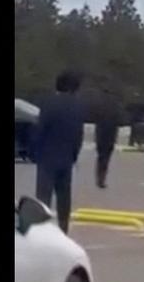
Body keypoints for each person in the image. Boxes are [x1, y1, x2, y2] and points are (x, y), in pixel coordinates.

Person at [29, 70, 85, 231]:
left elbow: (39, 130)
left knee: (43, 196)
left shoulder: (48, 103)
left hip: (47, 156)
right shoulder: (78, 107)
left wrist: (34, 151)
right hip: (66, 157)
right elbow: (78, 134)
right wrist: (74, 155)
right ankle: (63, 228)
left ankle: (41, 229)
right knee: (64, 196)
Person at [93, 91, 120, 189]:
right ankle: (102, 178)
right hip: (109, 137)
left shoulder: (100, 108)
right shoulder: (115, 109)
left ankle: (100, 178)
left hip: (102, 137)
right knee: (105, 159)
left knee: (101, 158)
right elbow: (118, 122)